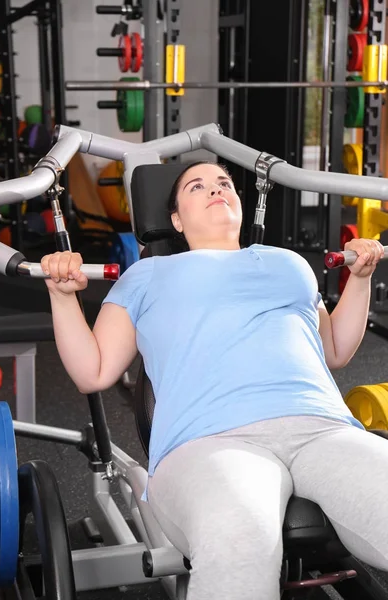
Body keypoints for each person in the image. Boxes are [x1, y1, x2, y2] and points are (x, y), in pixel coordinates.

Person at [42, 161, 388, 600]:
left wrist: (360, 280)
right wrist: (62, 297)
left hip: (322, 429)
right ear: (176, 220)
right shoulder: (148, 276)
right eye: (197, 186)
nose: (215, 190)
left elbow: (334, 349)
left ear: (241, 205)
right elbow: (92, 372)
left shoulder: (289, 264)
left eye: (224, 183)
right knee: (240, 540)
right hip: (210, 441)